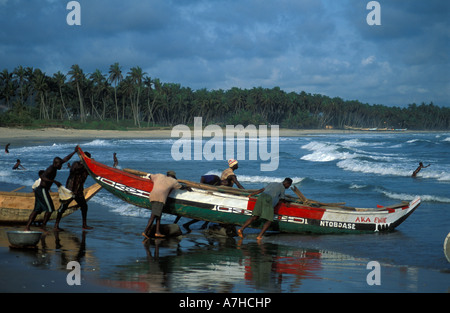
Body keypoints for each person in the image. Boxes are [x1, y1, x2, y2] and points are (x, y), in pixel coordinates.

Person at [25, 146, 78, 231]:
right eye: (59, 164)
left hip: (40, 190)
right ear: (55, 164)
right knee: (50, 209)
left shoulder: (56, 166)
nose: (61, 166)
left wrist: (74, 152)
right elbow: (43, 177)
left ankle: (27, 227)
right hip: (42, 190)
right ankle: (42, 226)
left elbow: (65, 159)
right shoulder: (51, 169)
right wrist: (54, 181)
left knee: (36, 210)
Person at [54, 151, 92, 231]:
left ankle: (84, 225)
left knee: (84, 207)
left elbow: (94, 173)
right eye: (87, 158)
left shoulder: (87, 168)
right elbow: (75, 170)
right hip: (70, 190)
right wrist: (86, 165)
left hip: (79, 191)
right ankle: (56, 225)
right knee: (63, 207)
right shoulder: (76, 164)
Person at [142, 171, 183, 239]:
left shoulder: (159, 176)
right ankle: (145, 231)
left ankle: (157, 232)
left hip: (153, 195)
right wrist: (187, 188)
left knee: (158, 215)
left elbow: (149, 176)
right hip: (159, 198)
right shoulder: (173, 181)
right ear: (174, 176)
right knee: (153, 216)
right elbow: (180, 187)